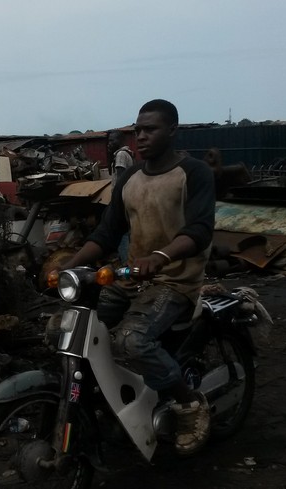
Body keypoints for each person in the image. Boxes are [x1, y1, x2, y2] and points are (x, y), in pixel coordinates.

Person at [59, 99, 215, 455]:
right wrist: (68, 266)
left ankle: (189, 403)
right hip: (130, 279)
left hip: (175, 281)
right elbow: (107, 233)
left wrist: (161, 256)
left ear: (172, 130)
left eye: (150, 129)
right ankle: (99, 398)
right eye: (138, 129)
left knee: (131, 340)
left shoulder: (193, 173)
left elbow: (201, 229)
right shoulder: (130, 178)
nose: (140, 136)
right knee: (68, 327)